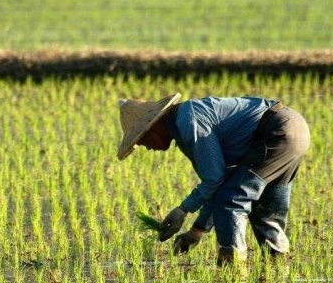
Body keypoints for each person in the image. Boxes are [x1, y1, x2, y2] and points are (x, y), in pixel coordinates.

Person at [116, 93, 310, 265]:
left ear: (153, 127)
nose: (146, 147)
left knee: (231, 200)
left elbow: (215, 180)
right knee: (265, 211)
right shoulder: (185, 122)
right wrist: (197, 231)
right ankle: (279, 267)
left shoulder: (189, 121)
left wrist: (182, 210)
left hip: (276, 132)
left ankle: (233, 271)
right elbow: (217, 183)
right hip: (294, 128)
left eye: (141, 140)